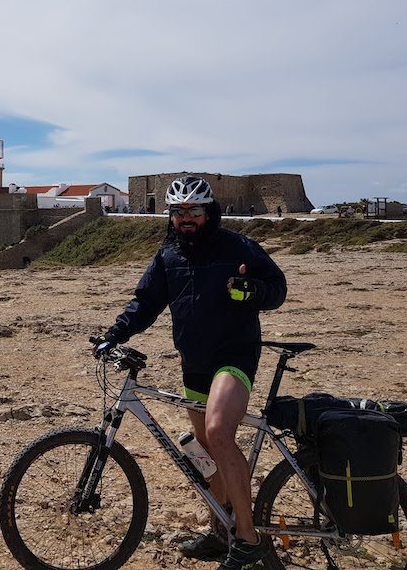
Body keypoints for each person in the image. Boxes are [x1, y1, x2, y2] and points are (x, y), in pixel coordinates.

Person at [96, 176, 287, 569]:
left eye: (194, 211)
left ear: (208, 212)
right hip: (194, 364)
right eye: (178, 212)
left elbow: (277, 287)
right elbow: (145, 303)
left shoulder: (237, 246)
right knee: (209, 454)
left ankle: (248, 540)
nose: (186, 219)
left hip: (234, 357)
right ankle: (221, 531)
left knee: (218, 434)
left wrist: (252, 290)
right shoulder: (169, 256)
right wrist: (113, 335)